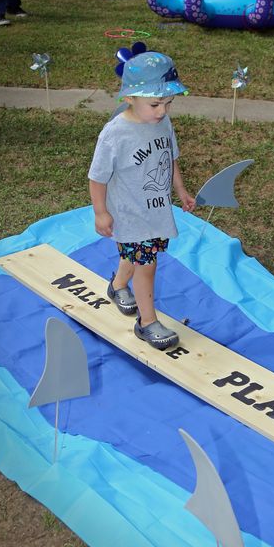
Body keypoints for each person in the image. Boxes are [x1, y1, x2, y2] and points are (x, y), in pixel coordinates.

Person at [88, 51, 196, 350]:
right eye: (154, 104)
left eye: (167, 103)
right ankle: (146, 323)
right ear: (129, 98)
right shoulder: (115, 134)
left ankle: (119, 285)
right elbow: (97, 177)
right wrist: (100, 213)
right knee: (146, 264)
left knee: (137, 255)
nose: (162, 111)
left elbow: (170, 158)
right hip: (129, 212)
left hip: (157, 211)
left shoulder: (162, 123)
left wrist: (181, 191)